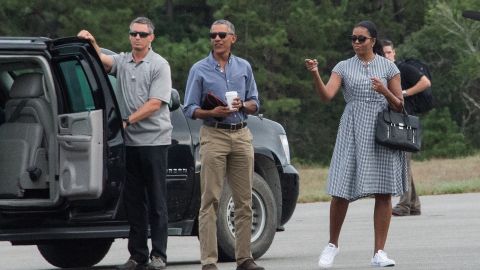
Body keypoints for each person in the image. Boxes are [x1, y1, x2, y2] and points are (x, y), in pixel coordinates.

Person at [305, 21, 407, 268]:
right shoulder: (343, 66)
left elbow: (400, 105)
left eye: (361, 38)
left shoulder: (388, 66)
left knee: (383, 192)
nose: (356, 43)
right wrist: (316, 74)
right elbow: (327, 96)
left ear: (373, 41)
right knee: (341, 189)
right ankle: (332, 245)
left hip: (381, 131)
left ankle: (379, 252)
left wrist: (384, 90)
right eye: (353, 38)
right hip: (352, 129)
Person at [78, 16, 172, 270]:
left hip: (154, 142)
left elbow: (155, 103)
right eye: (133, 33)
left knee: (156, 200)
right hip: (129, 143)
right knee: (134, 202)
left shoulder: (159, 65)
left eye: (142, 34)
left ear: (152, 37)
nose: (137, 38)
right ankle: (138, 255)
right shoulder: (124, 61)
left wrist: (127, 120)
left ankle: (159, 255)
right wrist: (92, 43)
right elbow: (102, 60)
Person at [183, 19, 264, 270]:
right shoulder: (199, 69)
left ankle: (244, 258)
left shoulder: (244, 67)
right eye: (213, 35)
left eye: (222, 35)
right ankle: (209, 261)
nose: (217, 39)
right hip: (214, 135)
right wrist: (211, 112)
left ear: (233, 39)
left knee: (244, 200)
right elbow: (189, 108)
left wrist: (243, 105)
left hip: (241, 134)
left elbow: (255, 103)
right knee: (210, 200)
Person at [382, 40, 431, 216]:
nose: (386, 56)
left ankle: (404, 205)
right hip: (394, 120)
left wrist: (404, 93)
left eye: (389, 52)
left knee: (402, 162)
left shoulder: (402, 69)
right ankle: (414, 204)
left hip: (406, 120)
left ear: (394, 53)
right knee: (404, 162)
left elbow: (425, 82)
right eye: (383, 53)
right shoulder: (384, 73)